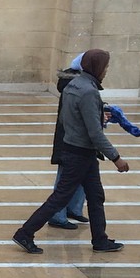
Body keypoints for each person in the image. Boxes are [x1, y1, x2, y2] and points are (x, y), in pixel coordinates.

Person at [13, 49, 130, 254]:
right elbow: (95, 133)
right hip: (80, 153)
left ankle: (100, 240)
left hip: (75, 149)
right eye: (105, 66)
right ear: (96, 67)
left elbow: (67, 119)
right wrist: (116, 158)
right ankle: (25, 233)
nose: (106, 71)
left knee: (95, 196)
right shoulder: (89, 92)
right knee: (60, 197)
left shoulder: (73, 85)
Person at [47, 53, 88, 230]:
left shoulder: (80, 85)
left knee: (84, 175)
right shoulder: (77, 88)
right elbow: (76, 115)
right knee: (65, 178)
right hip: (72, 141)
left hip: (79, 140)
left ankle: (73, 208)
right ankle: (57, 215)